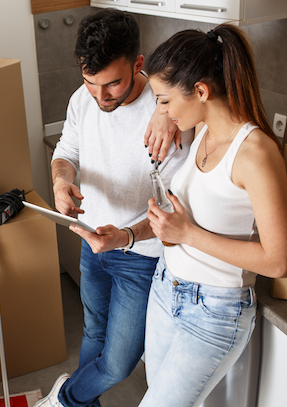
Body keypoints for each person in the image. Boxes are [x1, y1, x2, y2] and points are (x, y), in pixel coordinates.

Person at [36, 8, 191, 407]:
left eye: (113, 84)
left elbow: (171, 205)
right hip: (92, 244)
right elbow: (67, 152)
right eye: (90, 83)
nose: (101, 97)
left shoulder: (169, 114)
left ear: (138, 64)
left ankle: (64, 399)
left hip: (139, 257)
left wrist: (125, 236)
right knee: (93, 335)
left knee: (119, 364)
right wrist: (60, 180)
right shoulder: (82, 100)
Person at [139, 24, 287, 407]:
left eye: (164, 101)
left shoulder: (255, 155)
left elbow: (278, 261)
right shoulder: (201, 127)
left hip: (214, 312)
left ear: (202, 91)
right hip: (165, 289)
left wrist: (187, 234)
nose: (163, 111)